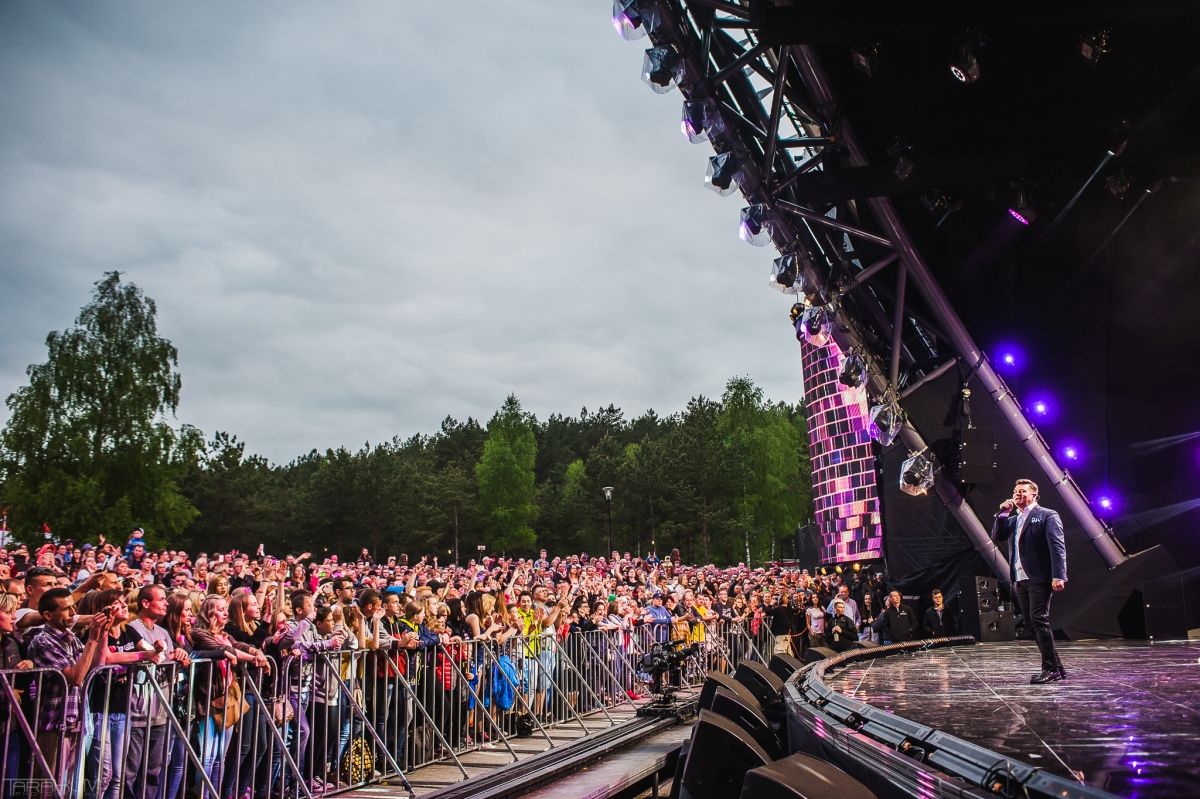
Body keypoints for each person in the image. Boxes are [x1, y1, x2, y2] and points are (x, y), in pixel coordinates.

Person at [26, 588, 112, 791]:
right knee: (48, 787)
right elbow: (75, 677)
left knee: (68, 787)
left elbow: (96, 665)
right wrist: (91, 639)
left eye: (73, 606)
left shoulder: (70, 637)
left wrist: (103, 633)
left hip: (75, 720)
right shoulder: (43, 641)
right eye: (66, 609)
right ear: (48, 615)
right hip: (54, 723)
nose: (73, 612)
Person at [991, 478, 1067, 684]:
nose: (1017, 494)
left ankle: (1050, 668)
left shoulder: (1047, 515)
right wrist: (1003, 514)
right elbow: (997, 536)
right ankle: (1057, 667)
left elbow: (1057, 546)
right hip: (1020, 578)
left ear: (1034, 495)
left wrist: (1059, 575)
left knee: (1039, 620)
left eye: (1022, 491)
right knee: (1032, 624)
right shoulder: (1013, 519)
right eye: (1015, 491)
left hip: (1039, 577)